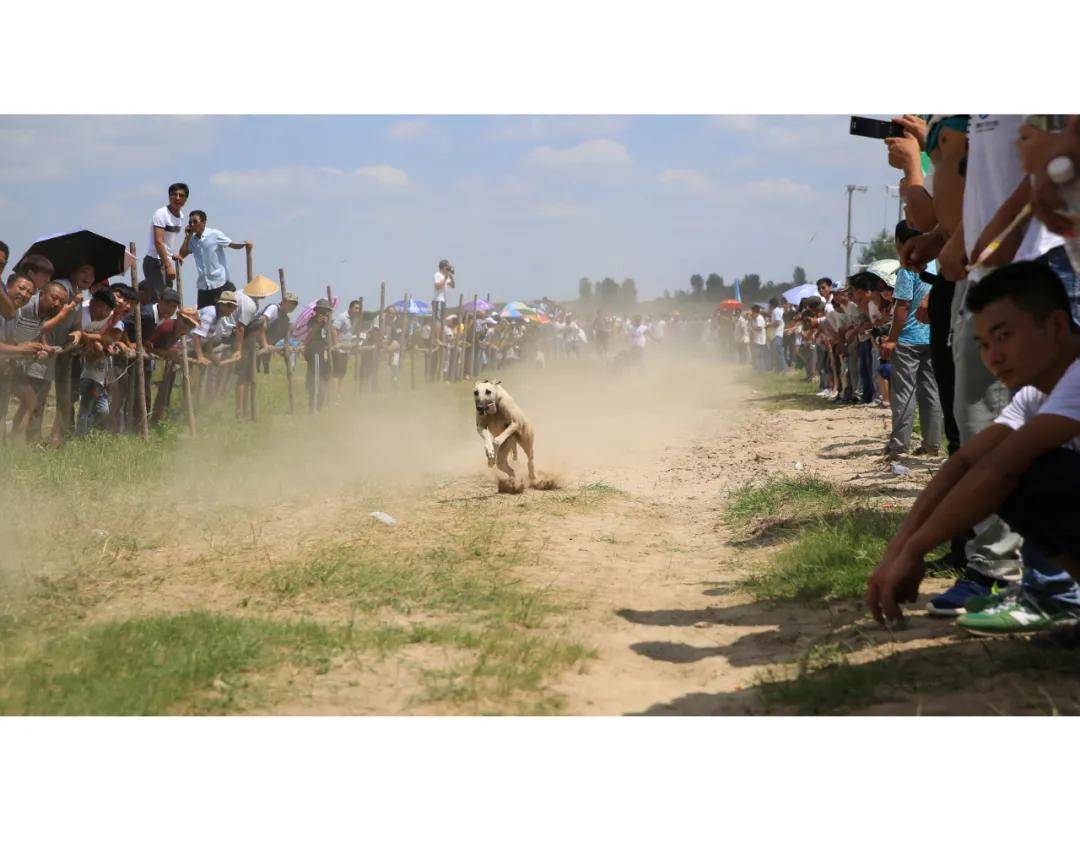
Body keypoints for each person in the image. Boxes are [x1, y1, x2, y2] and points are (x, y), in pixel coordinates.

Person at [866, 261, 1080, 634]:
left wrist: (915, 551)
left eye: (1004, 336)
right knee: (1020, 479)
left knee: (1029, 474)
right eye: (982, 344)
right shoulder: (1035, 394)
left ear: (1057, 326)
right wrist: (898, 549)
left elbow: (998, 470)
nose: (993, 357)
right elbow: (965, 462)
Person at [178, 210, 252, 309]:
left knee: (224, 316)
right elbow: (182, 254)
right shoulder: (192, 240)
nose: (192, 224)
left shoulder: (214, 234)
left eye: (195, 221)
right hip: (204, 286)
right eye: (190, 222)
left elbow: (232, 244)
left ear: (204, 222)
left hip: (219, 283)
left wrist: (244, 245)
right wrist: (187, 237)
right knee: (203, 318)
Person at [214, 290, 259, 419]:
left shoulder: (244, 299)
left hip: (232, 342)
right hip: (226, 341)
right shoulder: (249, 305)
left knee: (240, 377)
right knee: (221, 376)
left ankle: (239, 410)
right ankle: (220, 406)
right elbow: (240, 328)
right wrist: (239, 349)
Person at [144, 182, 189, 301]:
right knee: (160, 300)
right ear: (169, 196)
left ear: (185, 199)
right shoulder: (161, 214)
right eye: (174, 195)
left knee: (168, 300)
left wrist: (172, 254)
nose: (177, 198)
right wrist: (168, 265)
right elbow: (158, 242)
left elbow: (168, 241)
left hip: (166, 260)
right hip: (155, 262)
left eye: (181, 195)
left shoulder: (181, 217)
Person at [255, 292, 299, 373]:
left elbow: (282, 335)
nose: (293, 306)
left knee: (266, 362)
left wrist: (283, 347)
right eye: (291, 303)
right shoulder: (273, 308)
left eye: (295, 304)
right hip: (254, 336)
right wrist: (265, 344)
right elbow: (261, 323)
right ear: (284, 301)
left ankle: (265, 374)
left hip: (267, 340)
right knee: (253, 364)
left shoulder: (286, 319)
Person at [303, 298, 334, 413]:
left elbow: (331, 336)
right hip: (315, 353)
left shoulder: (329, 322)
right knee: (315, 381)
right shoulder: (312, 321)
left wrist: (327, 324)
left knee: (325, 380)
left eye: (326, 312)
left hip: (325, 353)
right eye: (321, 311)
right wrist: (318, 323)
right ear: (316, 311)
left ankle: (319, 407)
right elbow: (309, 336)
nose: (323, 314)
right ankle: (313, 407)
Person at [433, 260, 454, 327]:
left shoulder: (446, 276)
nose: (448, 269)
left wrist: (451, 278)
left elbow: (452, 286)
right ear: (443, 267)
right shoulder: (437, 275)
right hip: (438, 300)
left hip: (444, 300)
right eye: (447, 267)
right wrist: (445, 278)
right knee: (438, 320)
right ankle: (437, 336)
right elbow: (437, 286)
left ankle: (440, 336)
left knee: (442, 319)